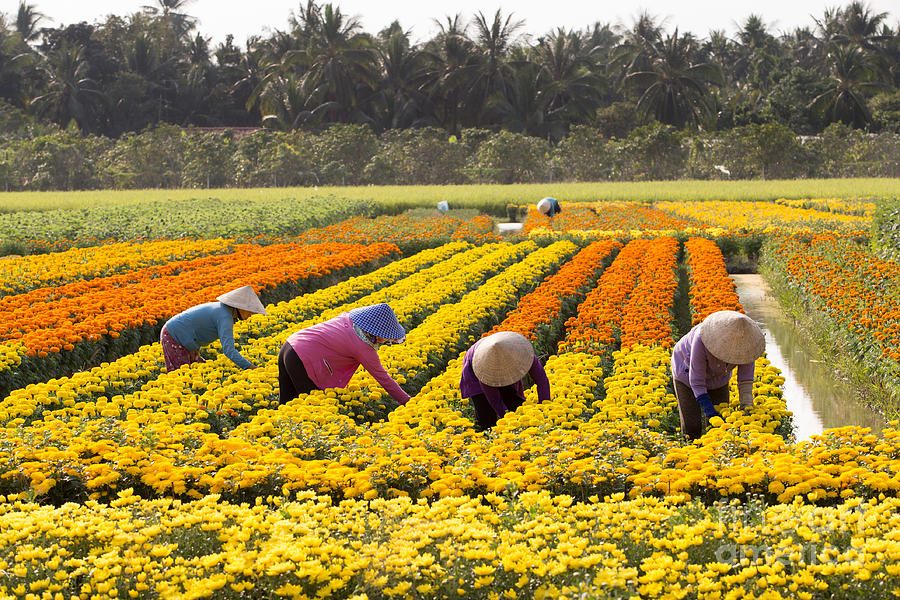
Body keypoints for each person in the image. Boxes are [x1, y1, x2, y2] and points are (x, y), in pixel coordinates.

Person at [278, 303, 410, 405]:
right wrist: (407, 401)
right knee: (312, 407)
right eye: (386, 337)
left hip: (289, 346)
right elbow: (384, 378)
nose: (385, 341)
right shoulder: (362, 346)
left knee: (286, 401)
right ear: (376, 332)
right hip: (301, 359)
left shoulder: (348, 319)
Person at [671, 310, 765, 440]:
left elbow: (745, 380)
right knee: (692, 427)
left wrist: (747, 408)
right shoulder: (702, 339)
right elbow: (697, 382)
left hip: (719, 378)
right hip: (686, 374)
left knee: (721, 426)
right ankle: (688, 452)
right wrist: (709, 410)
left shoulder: (747, 346)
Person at [160, 285, 266, 372]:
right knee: (182, 377)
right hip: (173, 336)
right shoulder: (224, 316)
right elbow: (229, 350)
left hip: (184, 338)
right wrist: (251, 367)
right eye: (250, 310)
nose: (251, 314)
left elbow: (196, 327)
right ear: (240, 307)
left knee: (198, 373)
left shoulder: (223, 311)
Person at [460, 331, 551, 430]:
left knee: (516, 406)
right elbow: (495, 399)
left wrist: (544, 407)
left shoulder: (523, 353)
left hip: (496, 351)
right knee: (487, 418)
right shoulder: (484, 367)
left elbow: (541, 379)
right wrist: (509, 421)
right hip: (475, 370)